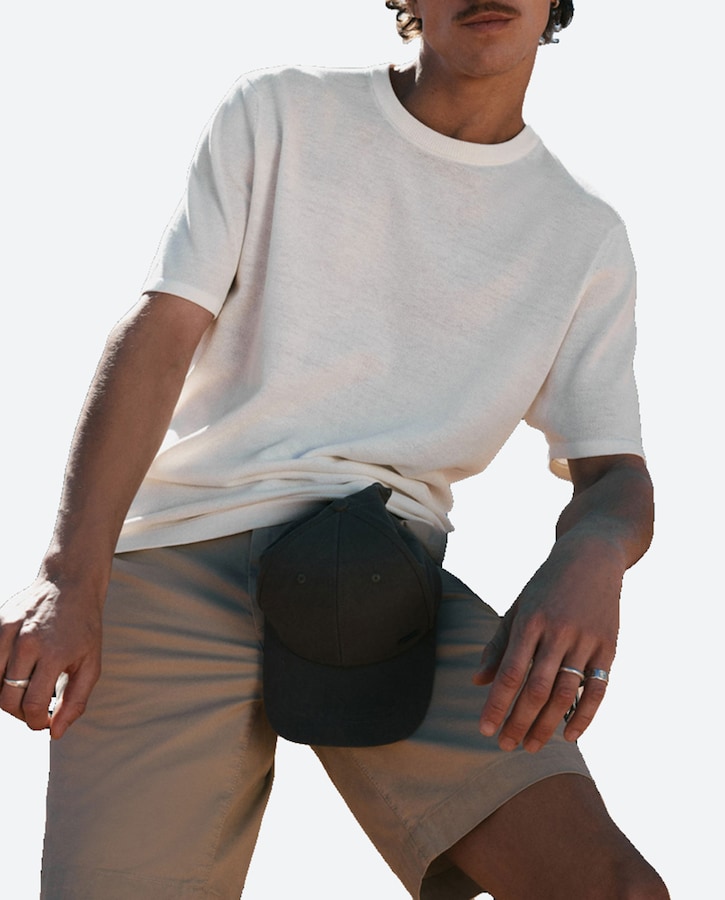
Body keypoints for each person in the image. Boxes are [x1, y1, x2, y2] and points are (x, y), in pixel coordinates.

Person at [0, 1, 670, 897]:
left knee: (609, 889)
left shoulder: (580, 234)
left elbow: (613, 472)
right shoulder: (281, 110)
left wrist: (594, 553)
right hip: (178, 562)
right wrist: (68, 575)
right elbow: (161, 330)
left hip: (389, 591)